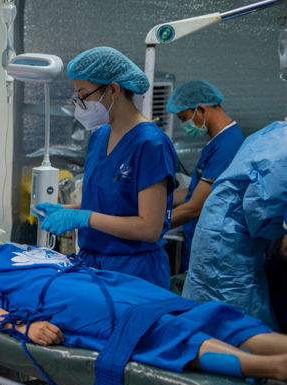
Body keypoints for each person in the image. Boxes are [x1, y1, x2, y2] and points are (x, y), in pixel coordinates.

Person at [0, 241, 286, 385]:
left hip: (98, 279)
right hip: (66, 298)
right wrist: (20, 326)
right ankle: (269, 367)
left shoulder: (4, 247)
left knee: (195, 312)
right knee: (156, 331)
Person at [33, 47, 176, 289]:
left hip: (134, 272)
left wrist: (84, 217)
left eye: (84, 95)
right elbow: (111, 203)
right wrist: (67, 211)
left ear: (113, 90)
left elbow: (149, 227)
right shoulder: (99, 137)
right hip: (93, 265)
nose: (80, 104)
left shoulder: (150, 144)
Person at [184, 122, 287, 331]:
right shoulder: (282, 151)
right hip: (231, 245)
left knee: (208, 318)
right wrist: (278, 238)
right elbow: (259, 211)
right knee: (235, 326)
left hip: (219, 235)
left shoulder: (275, 132)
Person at [167, 80, 245, 272]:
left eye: (184, 118)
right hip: (198, 241)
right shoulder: (218, 140)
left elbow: (195, 207)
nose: (184, 125)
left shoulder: (226, 147)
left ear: (201, 109)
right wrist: (157, 199)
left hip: (214, 250)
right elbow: (195, 191)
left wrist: (150, 226)